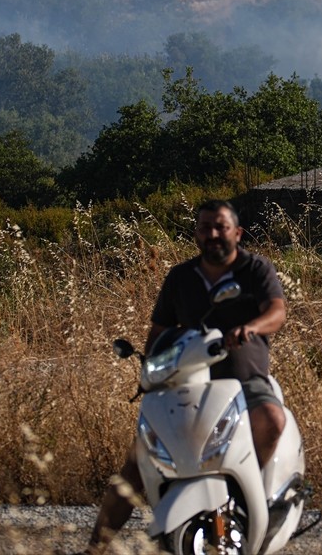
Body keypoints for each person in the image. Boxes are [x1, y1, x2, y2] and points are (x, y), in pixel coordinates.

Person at [73, 199, 287, 555]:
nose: (213, 234)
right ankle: (95, 548)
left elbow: (277, 311)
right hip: (187, 381)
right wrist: (149, 368)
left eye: (220, 227)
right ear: (196, 234)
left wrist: (251, 327)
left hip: (243, 377)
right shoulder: (181, 277)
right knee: (138, 462)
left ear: (238, 232)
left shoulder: (256, 269)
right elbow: (160, 329)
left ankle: (251, 504)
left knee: (272, 419)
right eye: (205, 227)